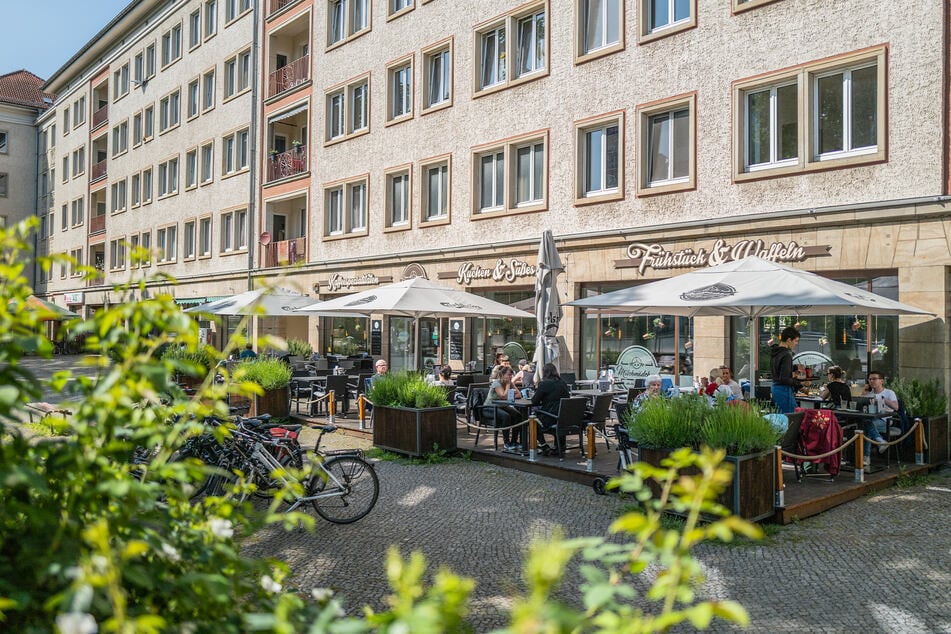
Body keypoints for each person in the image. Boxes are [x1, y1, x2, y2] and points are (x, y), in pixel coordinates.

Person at [859, 371, 897, 468]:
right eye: (870, 379)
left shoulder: (889, 392)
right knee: (867, 424)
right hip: (871, 420)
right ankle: (880, 441)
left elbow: (896, 407)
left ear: (881, 381)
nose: (872, 381)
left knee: (866, 426)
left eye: (874, 379)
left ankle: (866, 457)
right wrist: (863, 396)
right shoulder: (868, 394)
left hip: (885, 421)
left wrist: (883, 400)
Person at [531, 363, 571, 452]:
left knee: (532, 421)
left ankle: (544, 445)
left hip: (551, 417)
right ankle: (560, 446)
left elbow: (534, 401)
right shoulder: (562, 383)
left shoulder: (544, 384)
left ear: (544, 372)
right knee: (557, 411)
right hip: (565, 418)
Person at [484, 365, 523, 451]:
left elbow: (519, 394)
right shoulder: (496, 383)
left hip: (502, 406)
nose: (510, 377)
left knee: (518, 415)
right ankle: (506, 443)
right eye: (509, 375)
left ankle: (514, 441)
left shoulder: (510, 382)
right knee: (506, 416)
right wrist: (508, 385)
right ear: (502, 375)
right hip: (489, 408)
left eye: (511, 375)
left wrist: (509, 390)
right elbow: (503, 396)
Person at [770, 326, 807, 413]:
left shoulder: (775, 351)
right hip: (784, 391)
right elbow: (785, 379)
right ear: (789, 340)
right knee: (791, 420)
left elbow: (778, 369)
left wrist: (794, 368)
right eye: (796, 341)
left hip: (775, 389)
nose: (796, 343)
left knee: (779, 419)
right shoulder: (787, 354)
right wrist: (800, 385)